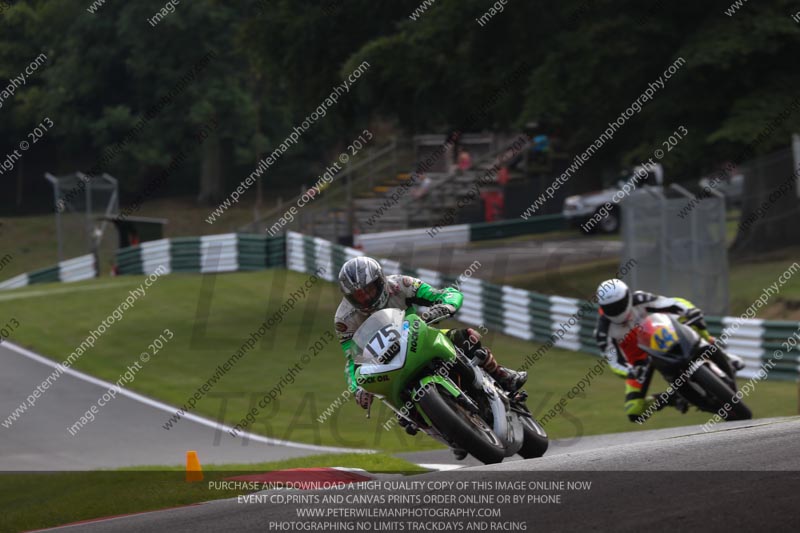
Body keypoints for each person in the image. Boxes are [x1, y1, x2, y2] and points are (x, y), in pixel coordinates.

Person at [334, 257, 527, 447]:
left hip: (418, 336)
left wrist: (446, 305)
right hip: (384, 361)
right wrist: (358, 389)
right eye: (358, 295)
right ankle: (442, 428)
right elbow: (352, 359)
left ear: (381, 280)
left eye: (369, 290)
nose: (366, 298)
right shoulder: (344, 318)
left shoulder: (401, 284)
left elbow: (444, 294)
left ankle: (501, 375)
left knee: (468, 336)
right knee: (389, 400)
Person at [593, 279, 744, 422]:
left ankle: (725, 356)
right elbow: (614, 363)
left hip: (659, 337)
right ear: (602, 307)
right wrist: (630, 371)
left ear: (627, 297)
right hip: (640, 363)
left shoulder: (639, 298)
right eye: (610, 308)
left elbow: (671, 302)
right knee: (634, 411)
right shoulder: (603, 331)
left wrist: (690, 311)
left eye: (619, 304)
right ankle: (669, 398)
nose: (616, 310)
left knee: (694, 323)